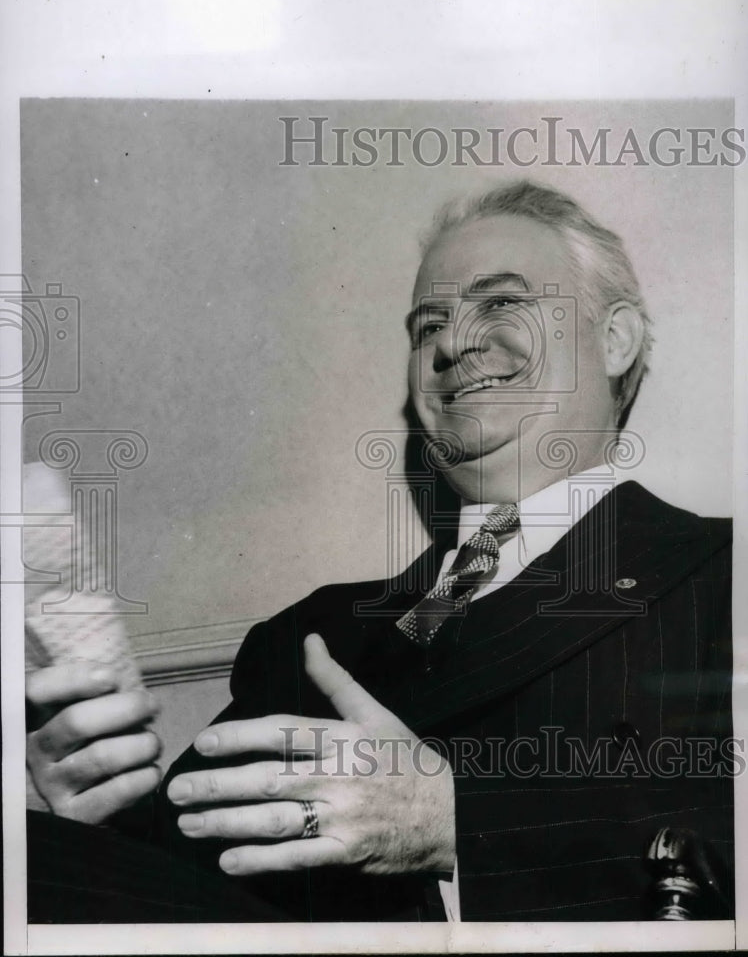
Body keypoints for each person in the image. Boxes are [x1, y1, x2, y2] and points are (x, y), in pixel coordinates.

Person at [26, 180, 733, 922]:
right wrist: (97, 819)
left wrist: (459, 825)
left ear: (614, 340)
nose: (451, 344)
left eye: (500, 302)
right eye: (429, 325)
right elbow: (191, 882)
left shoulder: (720, 575)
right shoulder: (314, 633)